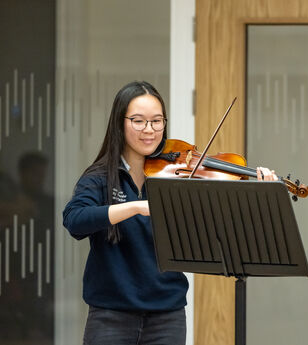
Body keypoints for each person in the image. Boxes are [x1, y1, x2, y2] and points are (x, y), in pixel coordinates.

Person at [63, 81, 277, 345]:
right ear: (120, 123)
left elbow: (221, 225)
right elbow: (75, 220)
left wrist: (261, 191)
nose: (149, 130)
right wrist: (135, 207)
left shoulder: (178, 177)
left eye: (157, 121)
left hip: (167, 316)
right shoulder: (100, 177)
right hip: (110, 315)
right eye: (138, 121)